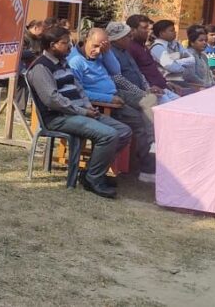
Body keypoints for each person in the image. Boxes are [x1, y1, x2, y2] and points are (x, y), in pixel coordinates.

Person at [26, 26, 131, 198]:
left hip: (79, 111)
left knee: (124, 131)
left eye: (69, 42)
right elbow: (53, 100)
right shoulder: (41, 67)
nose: (70, 46)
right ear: (52, 45)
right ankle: (93, 180)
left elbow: (79, 88)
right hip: (59, 117)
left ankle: (91, 172)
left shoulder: (63, 62)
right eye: (65, 43)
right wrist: (82, 111)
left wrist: (88, 106)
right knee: (109, 135)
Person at [67, 28, 155, 183]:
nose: (97, 51)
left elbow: (116, 71)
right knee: (137, 121)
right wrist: (108, 99)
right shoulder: (76, 61)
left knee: (150, 100)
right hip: (103, 101)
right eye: (95, 46)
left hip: (116, 92)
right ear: (85, 40)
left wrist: (107, 52)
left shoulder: (101, 53)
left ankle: (151, 144)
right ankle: (144, 164)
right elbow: (78, 92)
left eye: (102, 47)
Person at [149, 19, 196, 92]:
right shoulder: (157, 47)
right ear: (161, 33)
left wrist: (175, 61)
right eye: (171, 30)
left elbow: (192, 60)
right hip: (168, 82)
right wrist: (185, 67)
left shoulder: (176, 44)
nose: (175, 32)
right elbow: (172, 67)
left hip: (182, 80)